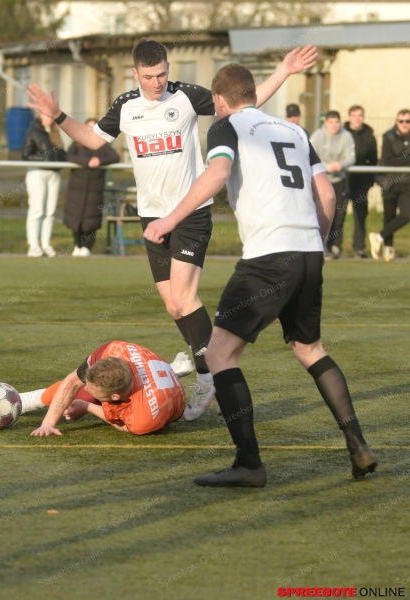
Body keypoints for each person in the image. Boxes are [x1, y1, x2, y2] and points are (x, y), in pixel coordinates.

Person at [27, 40, 317, 421]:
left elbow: (242, 103)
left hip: (191, 213)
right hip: (153, 218)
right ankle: (201, 358)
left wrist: (284, 70)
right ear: (135, 74)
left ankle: (208, 375)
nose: (156, 82)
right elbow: (92, 138)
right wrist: (60, 115)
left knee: (183, 297)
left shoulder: (185, 97)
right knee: (172, 304)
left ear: (168, 67)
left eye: (162, 73)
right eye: (148, 76)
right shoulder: (126, 106)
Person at [145, 63, 377, 487]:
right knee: (310, 350)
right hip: (308, 251)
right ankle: (357, 444)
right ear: (253, 93)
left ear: (218, 100)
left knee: (218, 354)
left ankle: (249, 464)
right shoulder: (295, 131)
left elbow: (216, 174)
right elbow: (324, 192)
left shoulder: (226, 126)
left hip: (268, 256)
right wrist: (316, 242)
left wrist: (168, 220)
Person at [24, 343, 191, 436]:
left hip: (158, 403)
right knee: (79, 390)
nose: (87, 389)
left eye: (93, 389)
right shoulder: (113, 351)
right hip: (152, 373)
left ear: (116, 396)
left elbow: (125, 425)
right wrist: (48, 423)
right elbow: (73, 381)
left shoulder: (144, 417)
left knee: (84, 397)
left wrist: (87, 407)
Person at [64, 118, 119, 257]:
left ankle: (87, 247)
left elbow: (115, 157)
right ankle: (77, 245)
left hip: (94, 189)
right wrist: (86, 162)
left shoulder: (103, 145)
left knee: (91, 219)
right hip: (77, 188)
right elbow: (69, 156)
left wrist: (99, 160)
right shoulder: (77, 144)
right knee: (76, 217)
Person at [310, 111, 355, 259]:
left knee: (338, 214)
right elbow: (308, 155)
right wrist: (325, 166)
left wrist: (339, 165)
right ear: (325, 123)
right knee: (320, 213)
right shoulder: (317, 136)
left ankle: (335, 246)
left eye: (336, 122)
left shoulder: (346, 136)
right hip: (320, 180)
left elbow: (351, 158)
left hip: (339, 180)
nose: (334, 126)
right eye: (330, 122)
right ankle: (318, 246)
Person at [22, 112, 67, 258]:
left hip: (54, 174)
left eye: (50, 115)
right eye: (45, 115)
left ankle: (46, 244)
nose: (48, 117)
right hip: (37, 173)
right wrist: (46, 160)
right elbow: (26, 154)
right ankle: (33, 245)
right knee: (37, 209)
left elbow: (62, 154)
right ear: (40, 116)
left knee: (50, 211)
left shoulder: (55, 133)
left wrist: (59, 161)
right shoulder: (33, 132)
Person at [369, 109, 410, 262]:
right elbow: (387, 160)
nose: (405, 124)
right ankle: (388, 250)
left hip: (407, 184)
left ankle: (378, 237)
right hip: (390, 183)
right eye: (402, 121)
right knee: (389, 216)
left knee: (407, 215)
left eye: (408, 121)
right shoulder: (389, 136)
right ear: (396, 121)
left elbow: (396, 159)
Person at [344, 105, 378, 258]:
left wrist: (369, 182)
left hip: (361, 182)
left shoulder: (369, 136)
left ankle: (359, 247)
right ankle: (333, 247)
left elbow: (373, 160)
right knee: (338, 215)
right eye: (354, 115)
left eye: (360, 115)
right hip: (343, 180)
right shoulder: (342, 133)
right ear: (349, 117)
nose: (357, 119)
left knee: (360, 215)